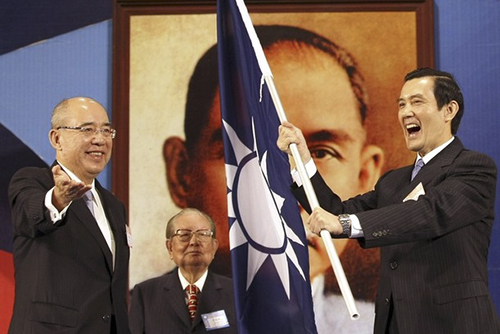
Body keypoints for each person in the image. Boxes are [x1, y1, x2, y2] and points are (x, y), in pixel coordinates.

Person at [164, 25, 386, 332]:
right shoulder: (145, 317)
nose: (284, 192)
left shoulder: (382, 327)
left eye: (321, 152)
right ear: (181, 173)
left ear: (365, 176)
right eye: (248, 150)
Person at [277, 68, 500, 334]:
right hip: (394, 324)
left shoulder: (473, 168)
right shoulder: (393, 182)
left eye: (417, 102)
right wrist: (302, 161)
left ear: (448, 110)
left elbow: (430, 213)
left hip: (452, 323)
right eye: (402, 104)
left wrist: (345, 224)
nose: (406, 112)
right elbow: (336, 212)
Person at [8, 97, 131, 334]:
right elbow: (30, 213)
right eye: (87, 129)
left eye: (106, 130)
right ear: (57, 138)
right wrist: (58, 199)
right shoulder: (33, 181)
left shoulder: (114, 206)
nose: (100, 139)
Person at [129, 208, 238, 334]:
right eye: (184, 235)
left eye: (203, 234)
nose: (194, 242)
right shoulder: (145, 294)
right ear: (170, 247)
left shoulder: (235, 293)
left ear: (214, 247)